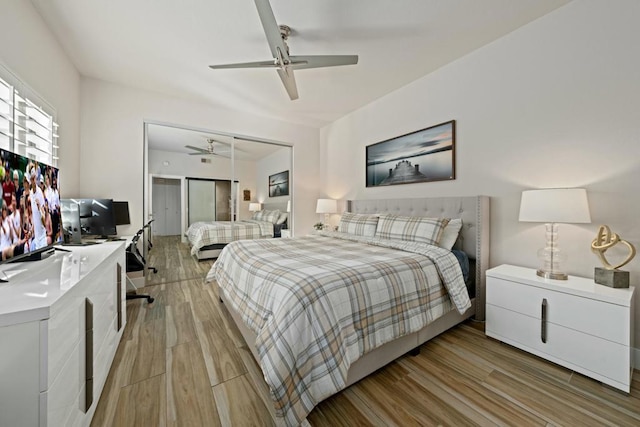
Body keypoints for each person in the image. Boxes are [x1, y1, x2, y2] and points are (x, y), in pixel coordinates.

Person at [29, 167, 47, 250]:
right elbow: (34, 216)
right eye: (31, 179)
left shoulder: (39, 192)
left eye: (34, 179)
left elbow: (44, 222)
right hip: (36, 240)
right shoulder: (30, 193)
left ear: (36, 179)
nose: (33, 181)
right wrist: (31, 230)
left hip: (42, 239)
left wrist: (39, 207)